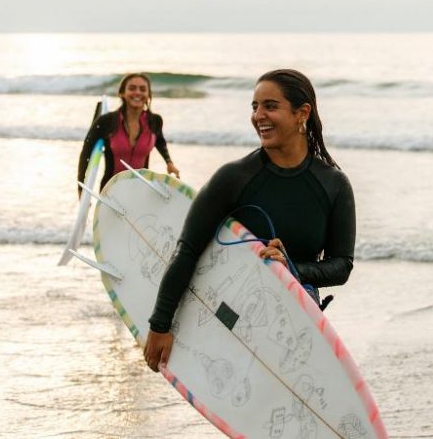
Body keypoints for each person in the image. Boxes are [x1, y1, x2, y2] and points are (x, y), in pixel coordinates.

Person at [142, 68, 355, 372]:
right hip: (230, 316)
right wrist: (160, 324)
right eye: (255, 107)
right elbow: (187, 251)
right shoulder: (233, 178)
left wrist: (291, 268)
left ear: (301, 113)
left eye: (270, 106)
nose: (258, 116)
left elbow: (342, 265)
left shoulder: (333, 185)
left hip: (295, 321)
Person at [77, 73, 179, 194]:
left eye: (142, 89)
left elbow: (160, 141)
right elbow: (86, 152)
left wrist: (169, 163)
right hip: (111, 191)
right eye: (132, 88)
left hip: (141, 190)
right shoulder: (107, 121)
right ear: (122, 93)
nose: (137, 93)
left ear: (148, 95)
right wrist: (82, 187)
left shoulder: (154, 121)